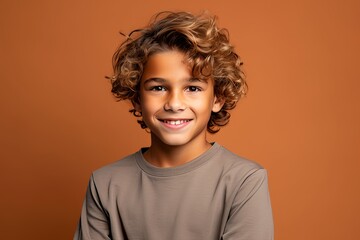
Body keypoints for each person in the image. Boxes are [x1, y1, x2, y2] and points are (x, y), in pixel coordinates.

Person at [74, 11, 273, 240]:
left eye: (193, 88)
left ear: (218, 98)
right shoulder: (105, 184)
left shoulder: (245, 181)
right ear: (137, 99)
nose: (175, 103)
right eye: (158, 88)